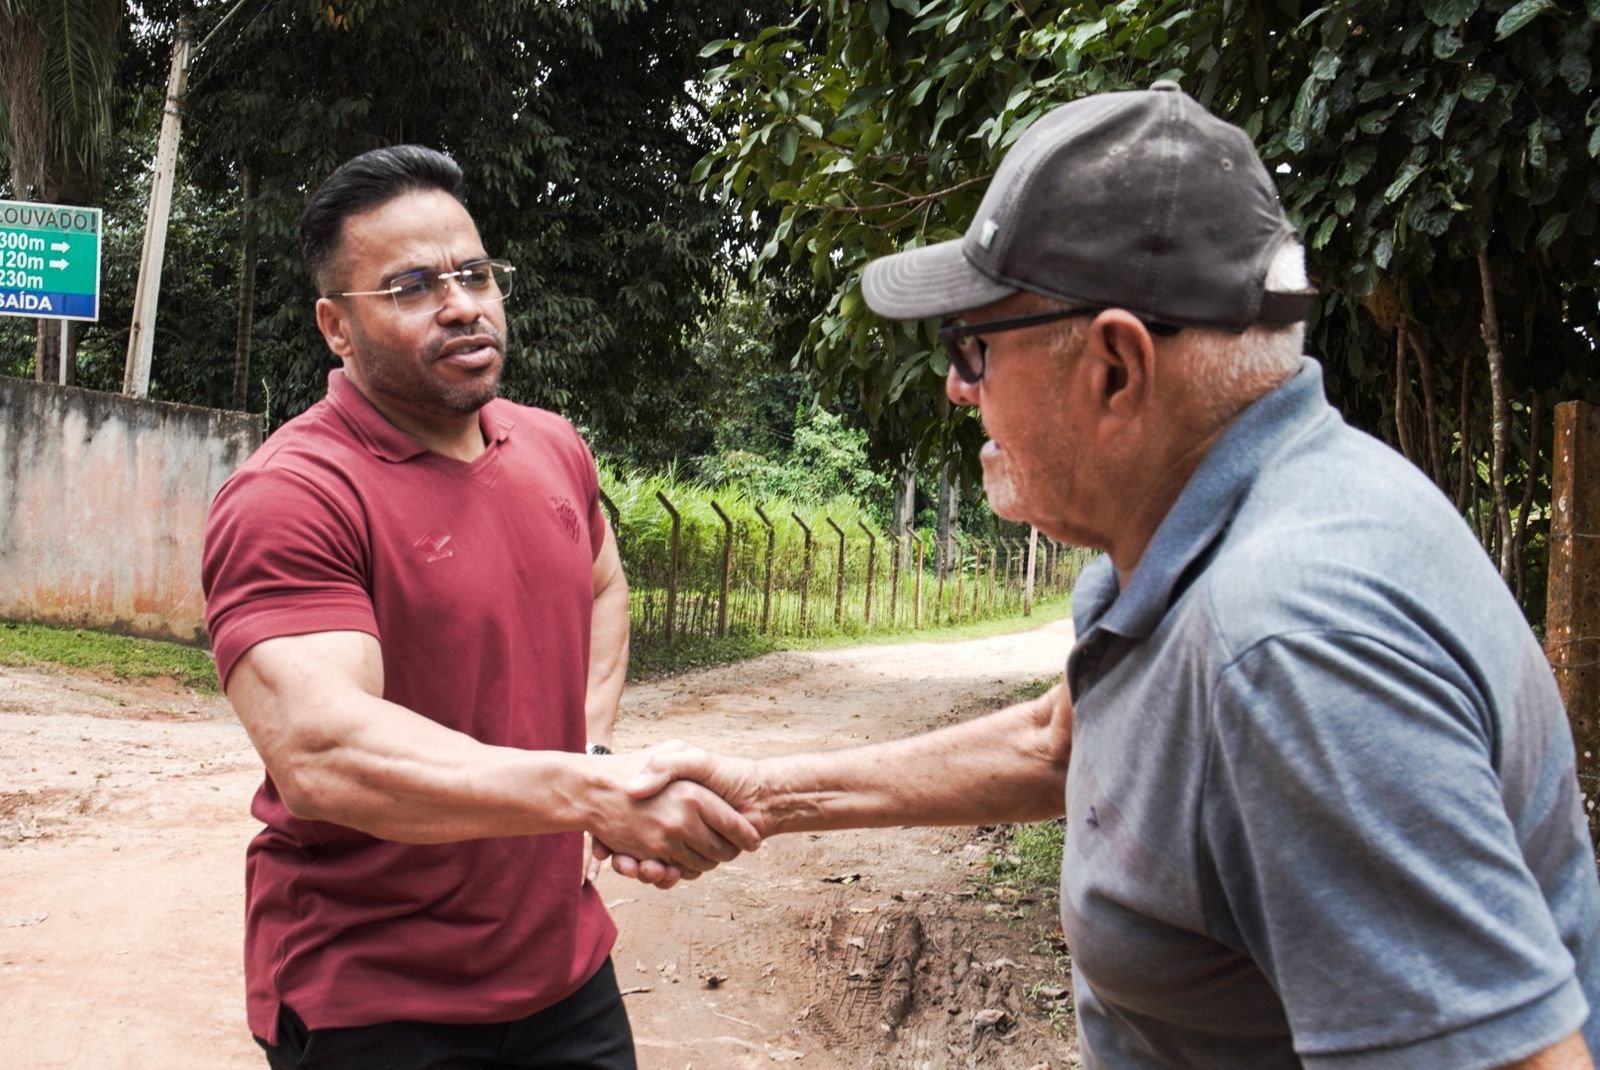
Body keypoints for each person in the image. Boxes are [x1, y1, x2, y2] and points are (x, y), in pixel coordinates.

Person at [618, 82, 1600, 1068]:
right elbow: (1066, 743)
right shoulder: (1237, 522)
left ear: (1117, 367)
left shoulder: (1287, 654)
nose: (957, 386)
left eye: (974, 346)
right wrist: (768, 794)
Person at [201, 144, 759, 1069]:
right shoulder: (295, 494)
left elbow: (603, 584)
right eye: (411, 286)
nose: (461, 304)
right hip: (375, 995)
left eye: (474, 274)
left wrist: (592, 753)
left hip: (562, 972)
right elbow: (327, 754)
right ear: (337, 327)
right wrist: (589, 795)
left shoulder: (550, 446)